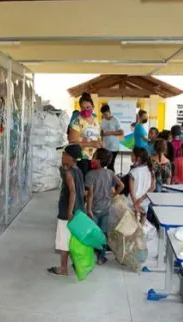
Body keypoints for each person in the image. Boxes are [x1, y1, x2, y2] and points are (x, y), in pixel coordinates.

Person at [48, 144, 85, 276]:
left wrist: (69, 211)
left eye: (64, 154)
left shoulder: (69, 173)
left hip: (67, 213)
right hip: (79, 210)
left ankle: (63, 268)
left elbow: (73, 192)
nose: (62, 156)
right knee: (74, 239)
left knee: (64, 240)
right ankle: (77, 264)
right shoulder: (78, 171)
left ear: (70, 157)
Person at [85, 148, 125, 265]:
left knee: (93, 233)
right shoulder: (110, 173)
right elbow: (121, 185)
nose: (92, 159)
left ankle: (90, 255)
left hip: (93, 210)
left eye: (94, 157)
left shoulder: (90, 174)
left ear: (99, 160)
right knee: (103, 233)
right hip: (106, 209)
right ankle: (101, 257)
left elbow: (90, 194)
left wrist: (88, 209)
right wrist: (114, 195)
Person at [68, 93, 101, 160]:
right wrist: (91, 144)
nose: (85, 110)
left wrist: (100, 143)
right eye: (83, 108)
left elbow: (97, 136)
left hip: (94, 158)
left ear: (93, 107)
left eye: (88, 107)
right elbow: (72, 142)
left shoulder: (95, 119)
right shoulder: (77, 122)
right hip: (81, 158)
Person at [128, 147, 155, 223]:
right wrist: (140, 200)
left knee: (133, 224)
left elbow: (131, 191)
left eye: (132, 154)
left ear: (138, 158)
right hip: (144, 202)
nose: (131, 156)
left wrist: (136, 203)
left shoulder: (133, 172)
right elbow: (152, 188)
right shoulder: (151, 170)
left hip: (132, 203)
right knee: (142, 225)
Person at [100, 104, 123, 172]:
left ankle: (112, 181)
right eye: (103, 114)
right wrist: (102, 135)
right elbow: (101, 132)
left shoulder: (115, 120)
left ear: (109, 112)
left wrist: (110, 133)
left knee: (110, 165)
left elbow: (121, 132)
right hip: (105, 146)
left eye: (106, 114)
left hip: (114, 147)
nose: (104, 116)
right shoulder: (103, 121)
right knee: (104, 164)